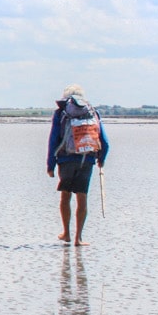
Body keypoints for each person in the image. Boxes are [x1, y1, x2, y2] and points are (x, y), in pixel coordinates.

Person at [46, 84, 110, 246]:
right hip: (87, 159)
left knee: (65, 196)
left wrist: (50, 165)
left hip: (66, 160)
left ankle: (66, 233)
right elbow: (105, 141)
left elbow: (53, 139)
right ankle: (78, 238)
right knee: (82, 197)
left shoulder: (61, 113)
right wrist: (101, 158)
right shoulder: (92, 112)